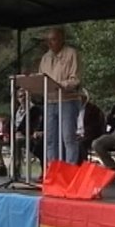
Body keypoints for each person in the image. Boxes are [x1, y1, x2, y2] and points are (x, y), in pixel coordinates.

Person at [38, 27, 82, 165]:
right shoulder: (45, 57)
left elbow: (76, 79)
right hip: (50, 101)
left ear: (62, 39)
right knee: (50, 139)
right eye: (48, 40)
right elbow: (40, 78)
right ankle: (53, 171)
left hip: (68, 100)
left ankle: (69, 171)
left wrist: (60, 85)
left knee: (68, 138)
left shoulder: (72, 54)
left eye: (53, 39)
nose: (50, 43)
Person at [0, 90, 42, 177]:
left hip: (27, 137)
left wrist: (22, 133)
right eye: (20, 96)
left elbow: (34, 125)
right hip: (13, 136)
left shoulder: (35, 110)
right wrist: (6, 135)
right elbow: (8, 125)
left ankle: (16, 169)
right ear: (17, 99)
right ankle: (1, 166)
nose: (23, 98)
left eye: (25, 96)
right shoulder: (16, 110)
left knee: (18, 140)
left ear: (29, 97)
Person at [76, 89, 106, 164]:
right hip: (74, 134)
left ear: (85, 98)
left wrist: (82, 135)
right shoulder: (72, 110)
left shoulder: (94, 110)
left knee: (80, 144)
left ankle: (82, 166)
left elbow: (96, 127)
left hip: (89, 136)